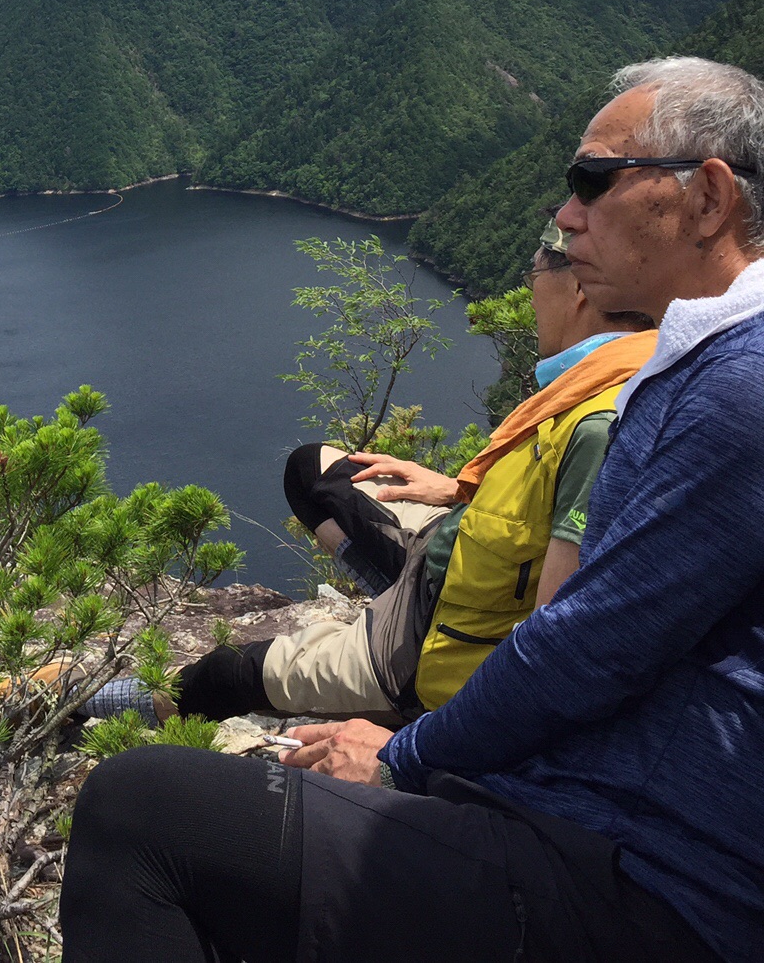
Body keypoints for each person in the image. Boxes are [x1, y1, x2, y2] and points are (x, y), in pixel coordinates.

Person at [61, 56, 764, 963]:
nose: (565, 214)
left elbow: (583, 648)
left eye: (593, 181)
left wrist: (404, 758)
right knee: (317, 475)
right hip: (616, 816)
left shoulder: (735, 388)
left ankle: (188, 693)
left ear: (707, 198)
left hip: (645, 879)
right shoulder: (699, 369)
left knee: (140, 809)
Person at [90, 225, 654, 725]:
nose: (530, 290)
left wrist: (426, 747)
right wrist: (458, 489)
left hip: (433, 641)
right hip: (449, 553)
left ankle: (83, 701)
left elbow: (553, 641)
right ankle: (385, 593)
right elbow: (536, 502)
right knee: (314, 470)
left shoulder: (600, 422)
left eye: (534, 274)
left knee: (229, 672)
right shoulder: (596, 377)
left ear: (578, 289)